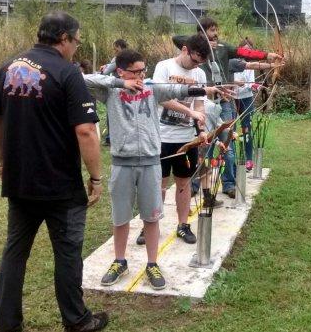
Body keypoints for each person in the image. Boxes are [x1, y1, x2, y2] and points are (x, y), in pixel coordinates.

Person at [0, 11, 108, 332]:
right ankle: (77, 321)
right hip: (60, 187)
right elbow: (86, 132)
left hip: (19, 181)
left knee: (15, 250)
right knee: (67, 254)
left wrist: (1, 163)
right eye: (76, 42)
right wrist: (96, 178)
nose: (76, 49)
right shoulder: (67, 73)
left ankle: (5, 320)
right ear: (64, 38)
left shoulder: (8, 68)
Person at [84, 49, 222, 289]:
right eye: (135, 72)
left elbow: (178, 90)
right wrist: (118, 81)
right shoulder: (111, 91)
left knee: (151, 216)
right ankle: (119, 261)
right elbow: (83, 79)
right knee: (120, 217)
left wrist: (205, 90)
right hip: (122, 163)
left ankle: (152, 263)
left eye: (143, 70)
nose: (140, 76)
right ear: (121, 71)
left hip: (150, 162)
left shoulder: (151, 88)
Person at [173, 18, 282, 198]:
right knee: (200, 144)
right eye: (212, 30)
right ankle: (195, 184)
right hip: (202, 103)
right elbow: (176, 38)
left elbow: (243, 53)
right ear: (202, 32)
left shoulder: (223, 47)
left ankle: (229, 184)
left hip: (223, 102)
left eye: (216, 29)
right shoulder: (196, 49)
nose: (216, 33)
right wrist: (202, 42)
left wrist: (268, 56)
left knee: (228, 143)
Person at [152, 34, 212, 245]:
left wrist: (201, 129)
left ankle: (183, 225)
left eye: (200, 63)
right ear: (185, 50)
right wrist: (190, 111)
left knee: (184, 183)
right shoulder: (164, 67)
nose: (196, 65)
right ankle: (151, 224)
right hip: (161, 136)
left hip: (186, 139)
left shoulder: (200, 74)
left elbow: (199, 105)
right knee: (158, 184)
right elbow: (161, 98)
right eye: (194, 60)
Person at [230, 38, 280, 171]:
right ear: (240, 50)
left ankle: (248, 159)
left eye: (250, 51)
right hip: (232, 99)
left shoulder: (250, 66)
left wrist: (258, 87)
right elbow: (225, 81)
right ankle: (232, 160)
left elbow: (250, 84)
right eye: (245, 50)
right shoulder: (232, 62)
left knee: (247, 129)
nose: (247, 53)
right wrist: (235, 83)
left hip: (246, 99)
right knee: (231, 131)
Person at [100, 39, 128, 146]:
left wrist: (103, 70)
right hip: (128, 87)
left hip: (117, 87)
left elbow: (106, 72)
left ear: (120, 47)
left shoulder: (118, 58)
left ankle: (110, 138)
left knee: (111, 112)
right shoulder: (130, 56)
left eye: (115, 48)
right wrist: (107, 64)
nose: (114, 50)